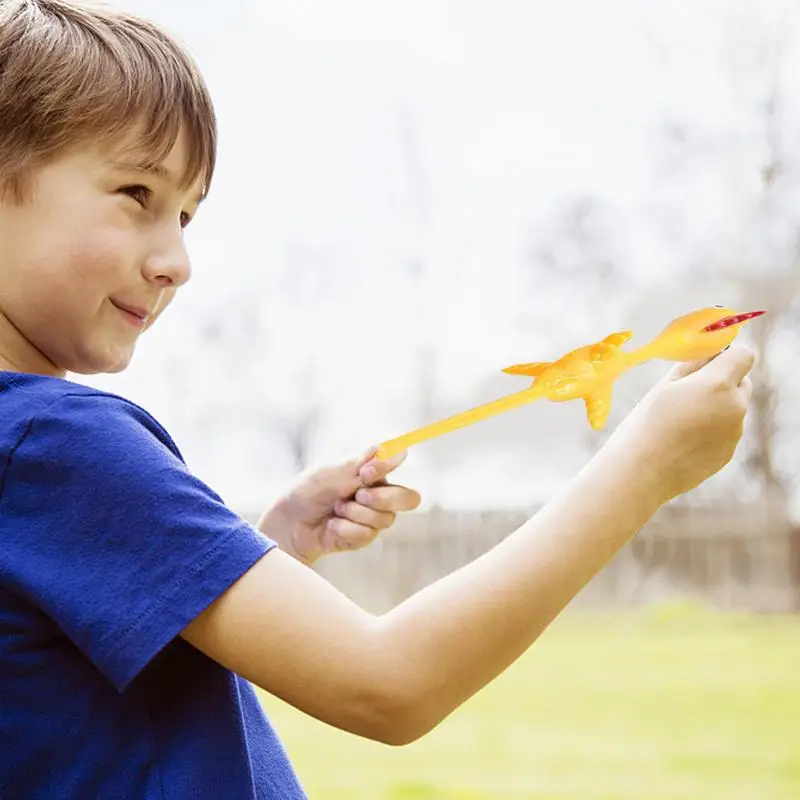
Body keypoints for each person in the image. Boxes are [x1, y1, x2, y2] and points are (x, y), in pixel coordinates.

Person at [0, 1, 755, 797]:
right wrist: (649, 465)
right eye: (135, 192)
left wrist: (269, 550)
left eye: (187, 215)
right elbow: (389, 684)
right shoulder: (57, 444)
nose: (179, 261)